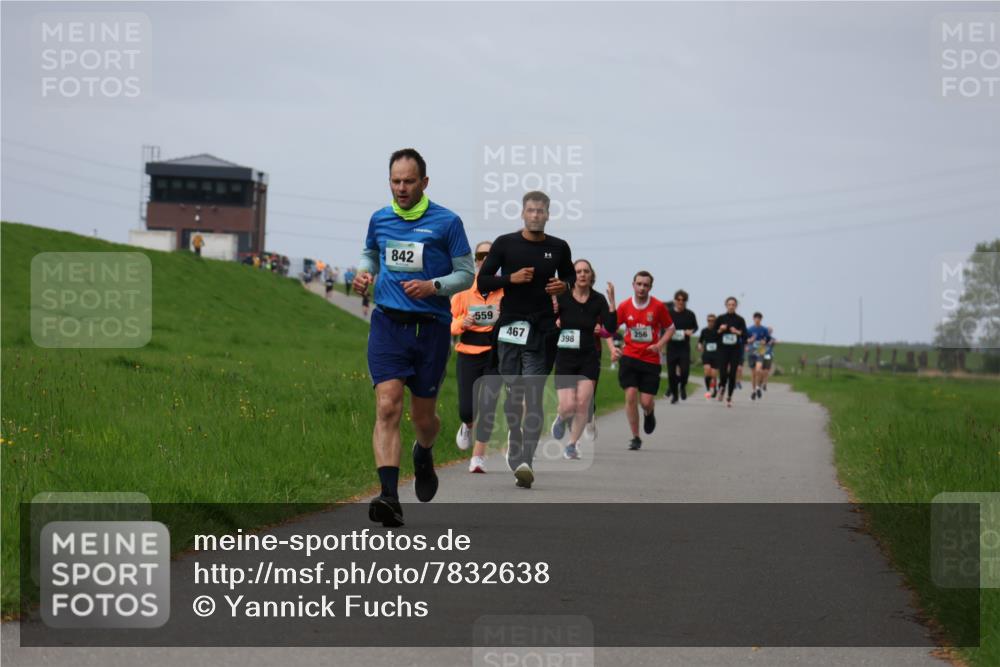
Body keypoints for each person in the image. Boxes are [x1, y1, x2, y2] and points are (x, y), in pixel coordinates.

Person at [354, 148, 474, 527]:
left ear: (424, 182)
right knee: (387, 406)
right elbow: (371, 253)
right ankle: (389, 495)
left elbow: (466, 274)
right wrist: (363, 272)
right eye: (395, 181)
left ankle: (424, 452)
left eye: (408, 181)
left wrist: (433, 286)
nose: (401, 188)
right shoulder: (380, 218)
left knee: (424, 418)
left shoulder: (447, 222)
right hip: (388, 324)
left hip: (431, 329)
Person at [476, 191, 574, 489]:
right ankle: (514, 438)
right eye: (530, 210)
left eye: (540, 211)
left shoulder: (559, 248)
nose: (535, 215)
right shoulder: (505, 243)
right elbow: (483, 281)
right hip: (509, 329)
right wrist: (511, 279)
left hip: (541, 330)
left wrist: (563, 286)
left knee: (533, 396)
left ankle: (526, 461)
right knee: (514, 395)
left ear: (548, 214)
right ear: (522, 213)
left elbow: (568, 280)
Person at [549, 259, 616, 460]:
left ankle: (572, 444)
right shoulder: (562, 298)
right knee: (568, 406)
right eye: (578, 271)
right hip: (565, 357)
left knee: (583, 403)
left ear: (591, 275)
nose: (582, 274)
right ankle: (561, 418)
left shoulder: (598, 300)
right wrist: (555, 319)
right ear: (573, 275)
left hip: (588, 357)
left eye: (586, 271)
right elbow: (548, 322)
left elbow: (610, 327)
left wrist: (612, 301)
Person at [450, 241, 503, 473]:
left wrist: (504, 316)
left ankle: (478, 458)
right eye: (482, 255)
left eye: (491, 256)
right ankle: (467, 424)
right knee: (467, 409)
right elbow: (449, 324)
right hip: (468, 353)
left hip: (494, 354)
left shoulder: (505, 291)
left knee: (488, 405)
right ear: (476, 260)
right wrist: (464, 322)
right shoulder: (463, 292)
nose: (486, 259)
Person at [609, 271, 674, 450]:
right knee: (630, 396)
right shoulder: (625, 306)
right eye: (639, 284)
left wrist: (659, 344)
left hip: (650, 360)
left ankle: (649, 412)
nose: (642, 288)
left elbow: (670, 328)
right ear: (633, 285)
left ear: (650, 287)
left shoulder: (658, 307)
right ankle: (636, 437)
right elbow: (609, 329)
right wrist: (612, 348)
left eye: (645, 285)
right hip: (629, 358)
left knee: (645, 402)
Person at [665, 289, 699, 404]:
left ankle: (682, 386)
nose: (681, 302)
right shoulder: (669, 313)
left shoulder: (690, 314)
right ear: (675, 300)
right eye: (678, 299)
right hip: (671, 347)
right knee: (671, 374)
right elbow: (663, 327)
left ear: (686, 301)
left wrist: (691, 331)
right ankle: (675, 395)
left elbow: (695, 327)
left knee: (684, 372)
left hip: (684, 347)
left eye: (683, 300)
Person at [714, 297, 748, 408]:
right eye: (729, 304)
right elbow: (713, 334)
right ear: (726, 305)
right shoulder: (720, 318)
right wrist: (720, 329)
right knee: (723, 373)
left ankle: (729, 397)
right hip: (723, 350)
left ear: (736, 306)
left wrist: (737, 332)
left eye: (733, 304)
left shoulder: (740, 320)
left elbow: (745, 336)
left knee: (732, 374)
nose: (731, 306)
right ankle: (722, 386)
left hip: (735, 350)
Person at [746, 312, 773, 401]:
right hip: (751, 351)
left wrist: (764, 342)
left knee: (759, 370)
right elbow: (745, 339)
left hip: (761, 351)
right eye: (756, 318)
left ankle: (758, 387)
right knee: (753, 374)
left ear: (761, 319)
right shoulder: (749, 329)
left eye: (759, 318)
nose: (757, 320)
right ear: (753, 319)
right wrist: (750, 340)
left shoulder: (764, 329)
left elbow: (768, 339)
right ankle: (753, 391)